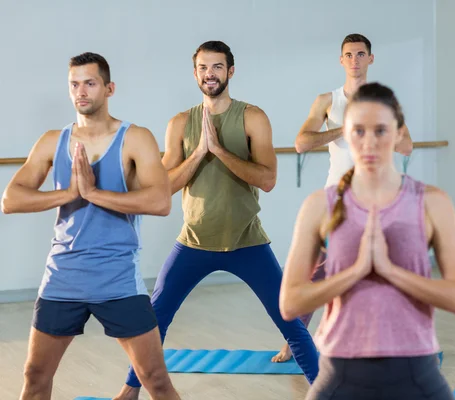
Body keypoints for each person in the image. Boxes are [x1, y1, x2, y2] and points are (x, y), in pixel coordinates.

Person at [113, 40, 320, 400]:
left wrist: (220, 151)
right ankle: (130, 391)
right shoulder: (180, 123)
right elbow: (165, 187)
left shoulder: (253, 117)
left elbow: (268, 180)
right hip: (193, 242)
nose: (210, 74)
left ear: (231, 71)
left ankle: (327, 389)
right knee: (154, 320)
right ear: (195, 74)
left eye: (218, 67)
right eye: (204, 68)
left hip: (248, 241)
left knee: (290, 321)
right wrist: (198, 154)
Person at [1, 53, 180, 400]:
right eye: (74, 84)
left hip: (117, 276)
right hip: (63, 275)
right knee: (35, 375)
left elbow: (160, 201)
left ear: (109, 88)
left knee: (155, 378)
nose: (81, 91)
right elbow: (11, 200)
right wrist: (69, 193)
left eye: (90, 83)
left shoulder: (135, 138)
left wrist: (94, 193)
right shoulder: (53, 141)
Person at [279, 82, 455, 400]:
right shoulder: (319, 206)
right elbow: (290, 303)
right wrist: (355, 271)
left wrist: (389, 270)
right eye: (358, 131)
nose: (369, 142)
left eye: (380, 131)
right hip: (339, 371)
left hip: (416, 370)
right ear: (346, 134)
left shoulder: (432, 202)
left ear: (398, 134)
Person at [272, 32, 414, 364]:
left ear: (370, 59)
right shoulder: (326, 100)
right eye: (349, 55)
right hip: (336, 199)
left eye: (360, 54)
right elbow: (301, 143)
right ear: (341, 60)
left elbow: (407, 147)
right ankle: (295, 342)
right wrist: (345, 128)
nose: (354, 60)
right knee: (315, 272)